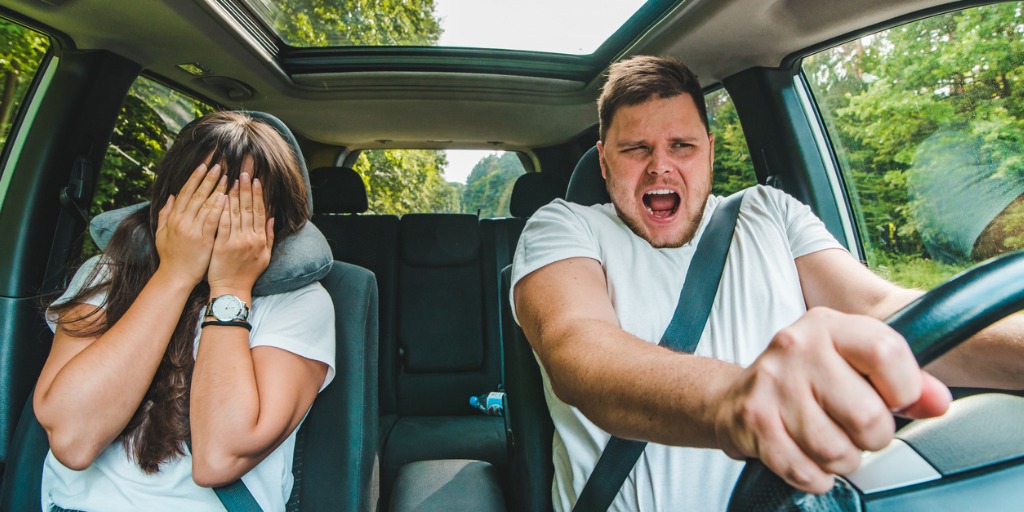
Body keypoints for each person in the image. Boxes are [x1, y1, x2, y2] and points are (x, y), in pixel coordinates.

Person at [510, 55, 1024, 511]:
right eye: (635, 149)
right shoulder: (563, 226)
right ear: (603, 161)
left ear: (709, 152)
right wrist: (733, 398)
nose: (660, 166)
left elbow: (879, 309)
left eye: (681, 145)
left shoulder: (770, 212)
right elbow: (579, 348)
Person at [36, 111, 336, 512]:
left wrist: (230, 289)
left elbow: (219, 458)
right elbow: (73, 440)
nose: (220, 216)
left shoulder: (301, 302)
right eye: (206, 193)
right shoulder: (104, 275)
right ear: (169, 201)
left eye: (244, 201)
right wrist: (174, 275)